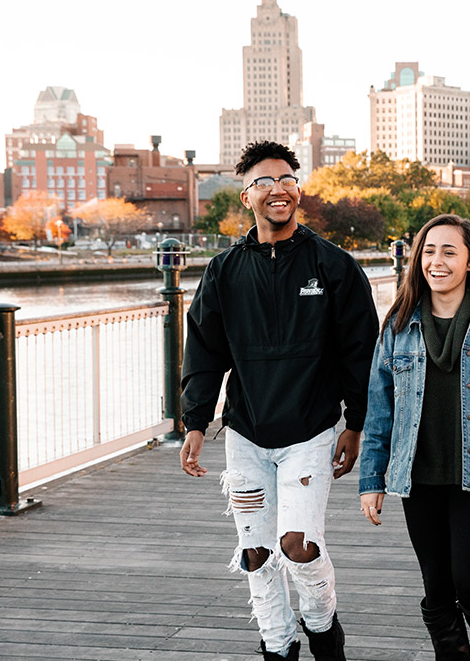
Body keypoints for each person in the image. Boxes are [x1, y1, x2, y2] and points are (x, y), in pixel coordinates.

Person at [179, 140, 379, 661]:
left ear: (299, 190)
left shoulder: (334, 267)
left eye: (287, 180)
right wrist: (196, 421)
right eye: (264, 182)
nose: (278, 190)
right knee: (256, 553)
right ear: (246, 196)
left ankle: (322, 628)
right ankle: (276, 646)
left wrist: (355, 425)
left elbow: (362, 352)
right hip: (245, 435)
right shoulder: (224, 272)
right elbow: (203, 351)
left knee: (297, 547)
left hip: (310, 433)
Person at [359, 214, 470, 661]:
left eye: (448, 251)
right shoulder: (397, 327)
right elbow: (379, 412)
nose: (435, 261)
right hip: (416, 477)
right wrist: (371, 478)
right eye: (428, 251)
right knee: (436, 584)